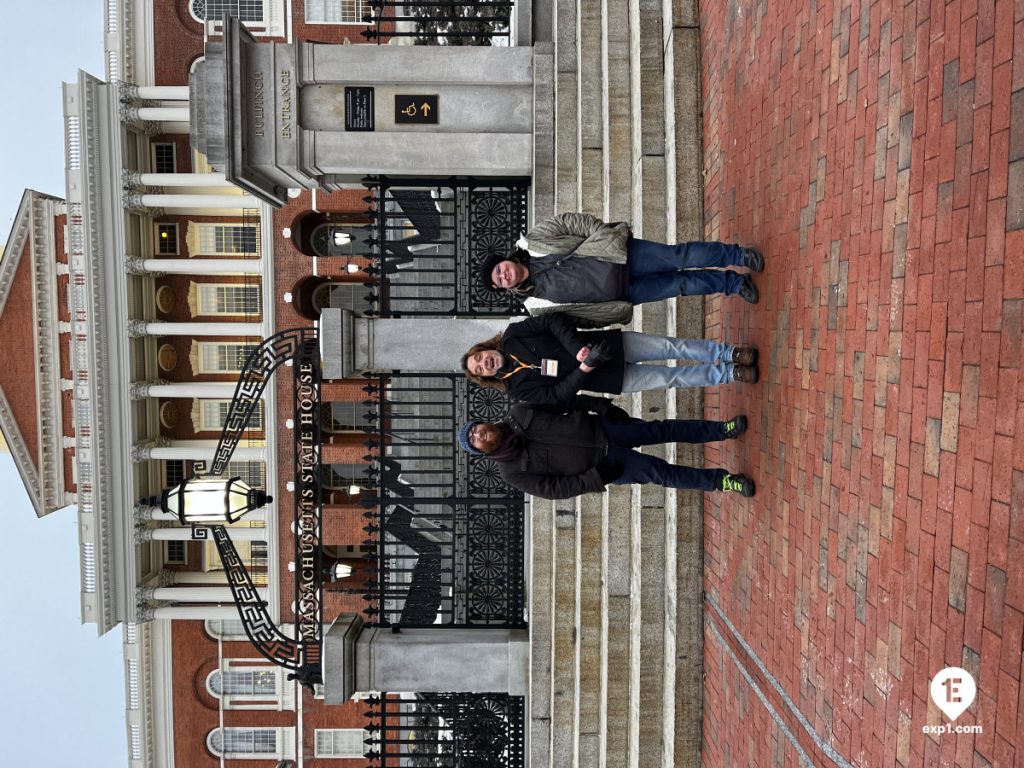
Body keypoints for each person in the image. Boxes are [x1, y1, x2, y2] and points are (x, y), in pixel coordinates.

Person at [479, 212, 763, 326]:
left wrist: (600, 232)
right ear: (503, 288)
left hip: (621, 255)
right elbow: (575, 319)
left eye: (500, 269)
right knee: (682, 286)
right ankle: (734, 285)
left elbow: (569, 222)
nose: (504, 275)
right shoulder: (535, 305)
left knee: (680, 256)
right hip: (623, 292)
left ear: (506, 260)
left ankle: (738, 255)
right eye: (500, 280)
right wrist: (606, 317)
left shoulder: (534, 241)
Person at [456, 398, 755, 500]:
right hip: (604, 464)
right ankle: (722, 481)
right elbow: (554, 489)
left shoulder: (520, 412)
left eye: (476, 429)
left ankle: (721, 429)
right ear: (481, 451)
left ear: (483, 422)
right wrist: (596, 478)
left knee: (662, 428)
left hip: (606, 428)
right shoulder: (511, 471)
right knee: (660, 473)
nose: (479, 434)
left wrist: (602, 407)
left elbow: (566, 400)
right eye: (475, 441)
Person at [460, 312, 757, 408]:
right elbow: (556, 395)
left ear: (485, 349)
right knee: (671, 378)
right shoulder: (518, 392)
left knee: (671, 347)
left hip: (609, 346)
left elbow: (553, 321)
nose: (484, 363)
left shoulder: (514, 335)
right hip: (609, 378)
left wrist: (577, 349)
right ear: (487, 377)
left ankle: (727, 354)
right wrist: (585, 368)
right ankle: (728, 375)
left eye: (480, 357)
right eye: (480, 369)